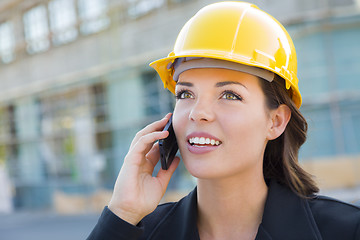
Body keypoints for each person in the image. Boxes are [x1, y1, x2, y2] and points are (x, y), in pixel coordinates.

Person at [87, 2, 360, 239]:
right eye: (186, 93)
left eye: (229, 95)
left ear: (276, 121)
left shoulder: (345, 231)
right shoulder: (137, 231)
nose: (198, 112)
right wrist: (122, 213)